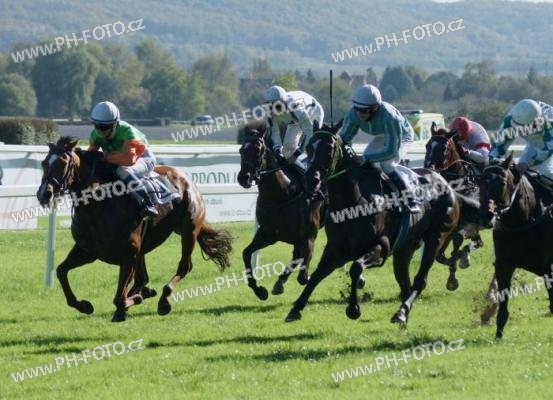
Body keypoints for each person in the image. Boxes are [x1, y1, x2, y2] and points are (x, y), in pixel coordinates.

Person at [339, 84, 419, 212]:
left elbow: (391, 151)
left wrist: (364, 157)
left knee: (387, 164)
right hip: (382, 135)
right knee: (366, 165)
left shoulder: (390, 117)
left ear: (375, 108)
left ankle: (410, 199)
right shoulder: (353, 114)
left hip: (402, 136)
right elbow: (344, 139)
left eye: (364, 110)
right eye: (357, 108)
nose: (359, 113)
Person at [88, 101, 158, 217]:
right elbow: (91, 157)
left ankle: (148, 203)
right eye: (96, 125)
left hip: (143, 158)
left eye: (104, 127)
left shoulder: (127, 132)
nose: (99, 130)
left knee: (123, 170)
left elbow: (129, 160)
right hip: (119, 159)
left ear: (114, 124)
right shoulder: (95, 135)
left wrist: (106, 157)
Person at [490, 99, 553, 182]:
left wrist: (526, 163)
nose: (521, 131)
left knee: (546, 174)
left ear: (536, 122)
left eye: (524, 128)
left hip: (549, 145)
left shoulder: (549, 123)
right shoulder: (511, 118)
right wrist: (492, 161)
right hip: (536, 142)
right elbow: (498, 144)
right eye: (518, 127)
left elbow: (547, 151)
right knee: (520, 170)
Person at [264, 85, 324, 169]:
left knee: (313, 146)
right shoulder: (270, 113)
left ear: (284, 103)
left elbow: (309, 133)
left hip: (314, 113)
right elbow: (275, 133)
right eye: (270, 106)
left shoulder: (297, 109)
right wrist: (277, 150)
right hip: (294, 120)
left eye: (277, 106)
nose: (273, 110)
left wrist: (296, 154)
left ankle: (312, 170)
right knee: (287, 151)